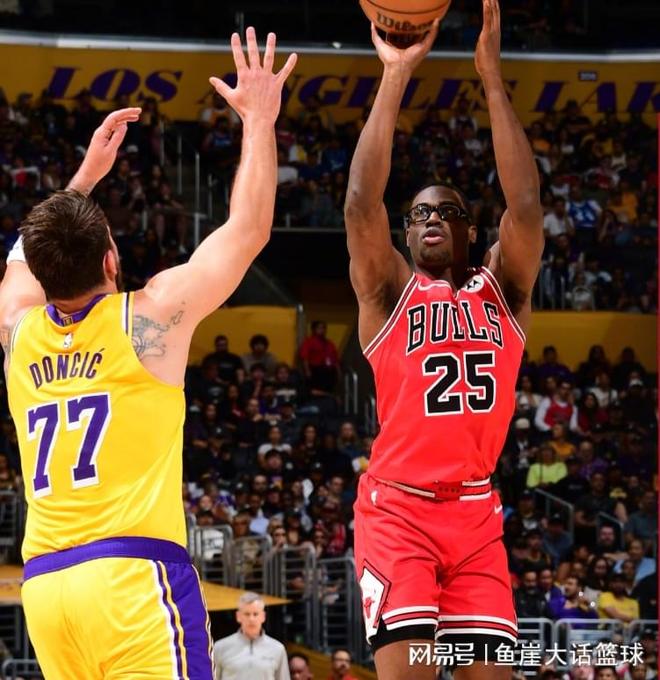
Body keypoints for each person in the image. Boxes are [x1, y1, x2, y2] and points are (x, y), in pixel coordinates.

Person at [0, 29, 297, 679]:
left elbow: (23, 256)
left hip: (45, 588)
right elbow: (248, 230)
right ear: (111, 259)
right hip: (131, 577)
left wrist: (83, 179)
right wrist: (259, 118)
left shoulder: (17, 330)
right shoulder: (149, 315)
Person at [344, 1, 544, 677]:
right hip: (398, 509)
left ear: (471, 231)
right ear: (405, 237)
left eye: (448, 210)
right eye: (419, 213)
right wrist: (395, 74)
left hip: (477, 513)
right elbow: (359, 204)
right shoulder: (388, 294)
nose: (432, 218)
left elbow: (526, 206)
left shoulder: (504, 290)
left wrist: (491, 79)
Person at [213, 592, 290, 680]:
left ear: (263, 616)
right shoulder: (220, 647)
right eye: (247, 614)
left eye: (255, 614)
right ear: (238, 616)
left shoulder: (277, 649)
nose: (251, 619)